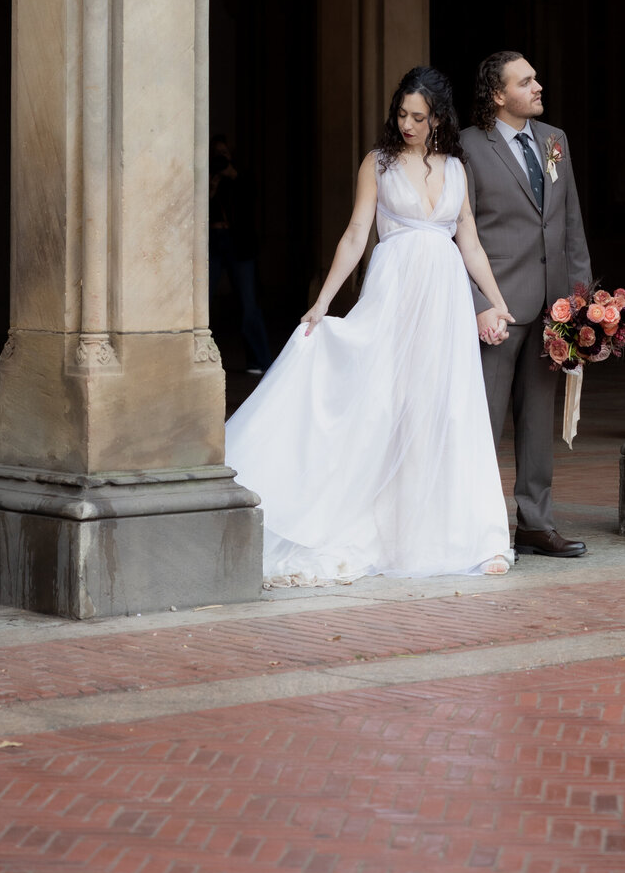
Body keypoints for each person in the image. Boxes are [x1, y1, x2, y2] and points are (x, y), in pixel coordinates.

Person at [224, 67, 516, 584]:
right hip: (395, 294)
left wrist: (495, 302)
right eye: (401, 114)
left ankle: (456, 535)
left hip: (444, 303)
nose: (407, 123)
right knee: (385, 403)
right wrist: (323, 302)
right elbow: (357, 233)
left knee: (444, 409)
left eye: (418, 117)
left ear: (438, 119)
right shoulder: (377, 164)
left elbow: (469, 241)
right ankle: (375, 526)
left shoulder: (456, 169)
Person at [461, 51, 592, 558]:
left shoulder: (555, 142)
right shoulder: (469, 148)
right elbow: (458, 234)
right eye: (527, 80)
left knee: (538, 421)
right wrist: (477, 303)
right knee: (486, 419)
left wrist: (579, 302)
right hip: (497, 308)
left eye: (536, 77)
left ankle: (536, 524)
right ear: (499, 94)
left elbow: (570, 224)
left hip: (552, 309)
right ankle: (478, 526)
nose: (539, 86)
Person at [209, 135, 273, 376]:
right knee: (201, 303)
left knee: (249, 305)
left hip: (239, 244)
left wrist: (232, 176)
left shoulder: (241, 176)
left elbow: (250, 200)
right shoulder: (209, 177)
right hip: (213, 243)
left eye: (225, 153)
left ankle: (262, 362)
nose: (221, 158)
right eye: (217, 154)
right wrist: (213, 183)